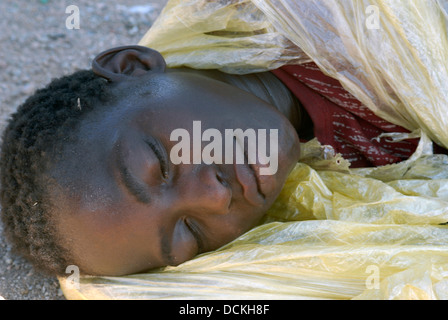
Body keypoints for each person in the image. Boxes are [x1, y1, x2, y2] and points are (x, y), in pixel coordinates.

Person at [0, 44, 432, 277]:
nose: (213, 196)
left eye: (161, 163)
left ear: (133, 66)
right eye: (189, 235)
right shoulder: (373, 203)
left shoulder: (310, 19)